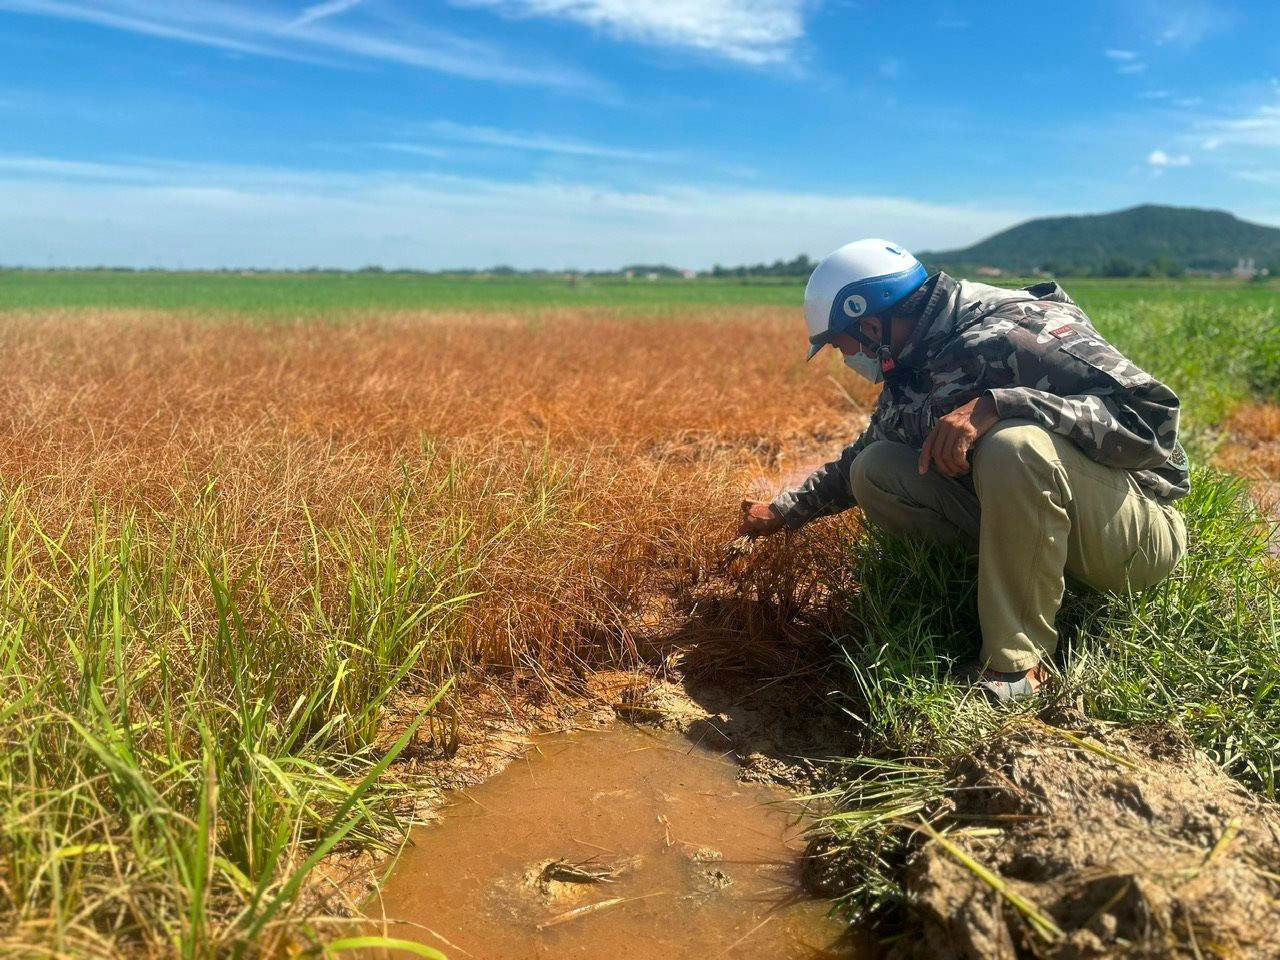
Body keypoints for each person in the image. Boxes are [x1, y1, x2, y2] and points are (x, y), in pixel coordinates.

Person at [738, 239, 1189, 702]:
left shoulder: (1019, 329)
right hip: (1057, 523)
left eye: (839, 343)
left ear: (872, 324)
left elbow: (1155, 420)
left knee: (1014, 444)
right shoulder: (913, 362)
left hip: (1133, 534)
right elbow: (866, 451)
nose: (843, 356)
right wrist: (785, 511)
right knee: (876, 469)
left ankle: (1018, 668)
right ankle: (1012, 589)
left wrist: (1001, 404)